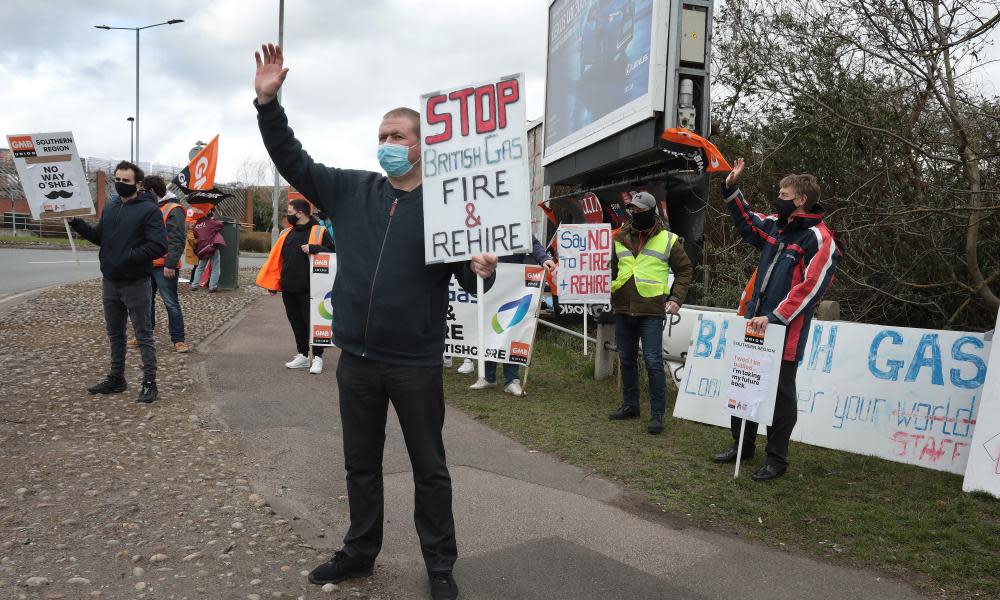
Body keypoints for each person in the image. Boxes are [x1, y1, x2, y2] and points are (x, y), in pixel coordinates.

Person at [254, 43, 497, 600]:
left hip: (413, 363)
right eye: (382, 136)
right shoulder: (351, 189)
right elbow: (293, 160)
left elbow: (471, 278)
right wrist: (268, 102)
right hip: (357, 360)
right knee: (359, 465)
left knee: (429, 469)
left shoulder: (448, 209)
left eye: (398, 137)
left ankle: (439, 566)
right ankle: (360, 552)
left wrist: (482, 265)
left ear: (422, 146)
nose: (387, 145)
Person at [711, 158, 841, 481]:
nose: (777, 197)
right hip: (756, 324)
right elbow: (749, 222)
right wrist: (731, 189)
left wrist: (775, 317)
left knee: (782, 395)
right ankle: (742, 446)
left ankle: (777, 459)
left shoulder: (819, 238)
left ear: (799, 199)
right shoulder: (777, 226)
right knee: (746, 386)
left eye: (783, 192)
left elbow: (809, 289)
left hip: (786, 332)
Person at [68, 161, 166, 404]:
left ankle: (149, 383)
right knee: (115, 334)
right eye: (117, 180)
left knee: (143, 334)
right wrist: (77, 224)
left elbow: (159, 245)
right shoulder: (111, 206)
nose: (120, 184)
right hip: (110, 282)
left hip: (136, 282)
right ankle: (116, 378)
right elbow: (101, 237)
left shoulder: (149, 210)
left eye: (126, 181)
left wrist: (130, 256)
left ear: (139, 184)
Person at [608, 191, 693, 434]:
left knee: (653, 362)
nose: (635, 214)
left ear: (651, 212)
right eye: (632, 210)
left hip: (651, 309)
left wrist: (676, 298)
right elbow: (614, 269)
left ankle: (657, 416)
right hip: (624, 307)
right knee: (626, 359)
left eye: (640, 211)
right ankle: (630, 405)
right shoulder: (621, 236)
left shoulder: (667, 239)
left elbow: (685, 270)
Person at [468, 234, 557, 396]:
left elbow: (531, 241)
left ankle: (512, 380)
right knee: (489, 326)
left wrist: (543, 258)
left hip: (513, 284)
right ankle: (488, 377)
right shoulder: (483, 215)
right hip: (488, 280)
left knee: (513, 327)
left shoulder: (515, 215)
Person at [256, 198, 335, 374]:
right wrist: (274, 284)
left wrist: (316, 248)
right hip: (289, 288)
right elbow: (279, 261)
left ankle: (318, 357)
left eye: (290, 213)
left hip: (311, 289)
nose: (288, 216)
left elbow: (335, 253)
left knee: (313, 323)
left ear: (301, 213)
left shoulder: (320, 231)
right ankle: (303, 355)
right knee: (296, 323)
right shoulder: (287, 233)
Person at [142, 176, 189, 353]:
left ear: (152, 191)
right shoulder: (151, 207)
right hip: (147, 263)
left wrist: (170, 263)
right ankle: (144, 336)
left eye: (144, 191)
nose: (141, 194)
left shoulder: (174, 209)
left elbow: (177, 239)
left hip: (164, 266)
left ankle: (178, 340)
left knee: (170, 303)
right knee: (146, 302)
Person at [191, 209, 224, 292]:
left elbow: (195, 235)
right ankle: (212, 287)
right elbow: (220, 225)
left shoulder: (196, 225)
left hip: (202, 249)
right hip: (212, 247)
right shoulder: (211, 222)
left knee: (200, 267)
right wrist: (214, 218)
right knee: (215, 267)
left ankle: (194, 285)